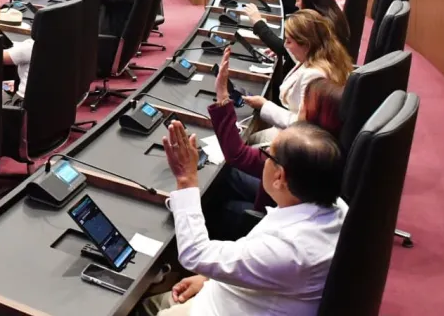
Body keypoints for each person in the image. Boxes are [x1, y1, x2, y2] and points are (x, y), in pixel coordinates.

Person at [141, 116, 344, 316]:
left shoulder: (290, 250)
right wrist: (210, 279)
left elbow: (194, 253)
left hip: (217, 309)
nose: (261, 157)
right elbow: (266, 271)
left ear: (279, 176)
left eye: (267, 154)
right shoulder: (338, 208)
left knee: (144, 307)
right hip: (232, 295)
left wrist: (186, 180)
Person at [204, 47, 344, 238]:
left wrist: (222, 96)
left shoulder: (298, 149)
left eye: (305, 104)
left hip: (270, 218)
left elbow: (238, 154)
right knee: (228, 174)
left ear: (315, 115)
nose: (299, 106)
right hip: (282, 200)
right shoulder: (328, 142)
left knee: (216, 207)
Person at [243, 9, 353, 130]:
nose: (285, 45)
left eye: (289, 41)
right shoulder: (323, 53)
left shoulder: (314, 75)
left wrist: (264, 105)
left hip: (297, 137)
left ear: (306, 44)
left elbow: (302, 124)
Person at [244, 0, 351, 64]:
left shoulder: (319, 23)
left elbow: (284, 50)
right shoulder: (332, 12)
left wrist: (258, 23)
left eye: (298, 0)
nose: (296, 4)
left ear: (310, 1)